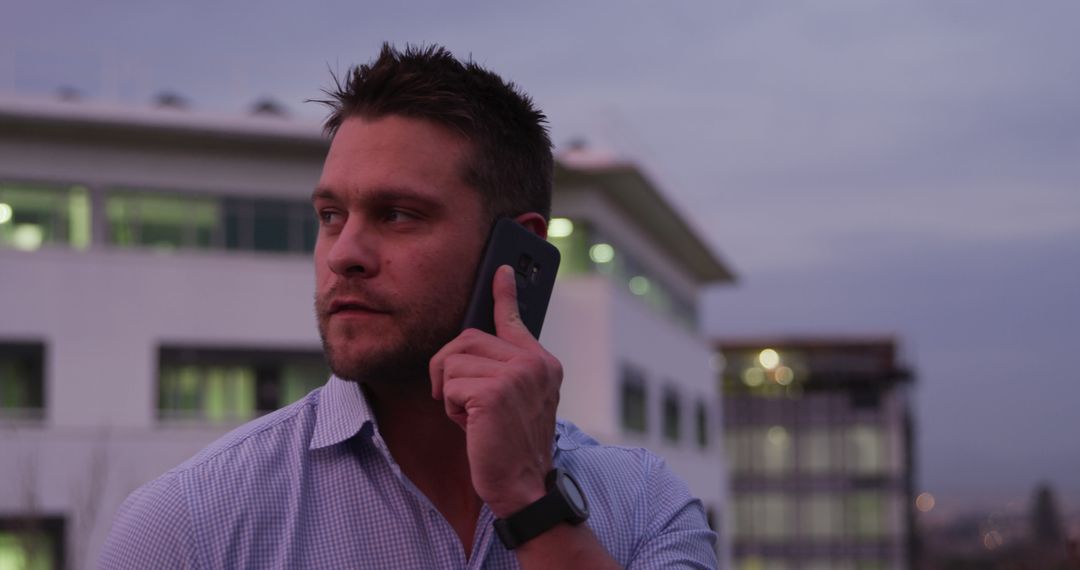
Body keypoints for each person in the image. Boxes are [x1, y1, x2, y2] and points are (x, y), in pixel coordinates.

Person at [99, 43, 717, 569]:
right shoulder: (189, 524)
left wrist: (534, 505)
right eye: (330, 216)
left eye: (398, 215)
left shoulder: (642, 505)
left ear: (520, 247)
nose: (345, 254)